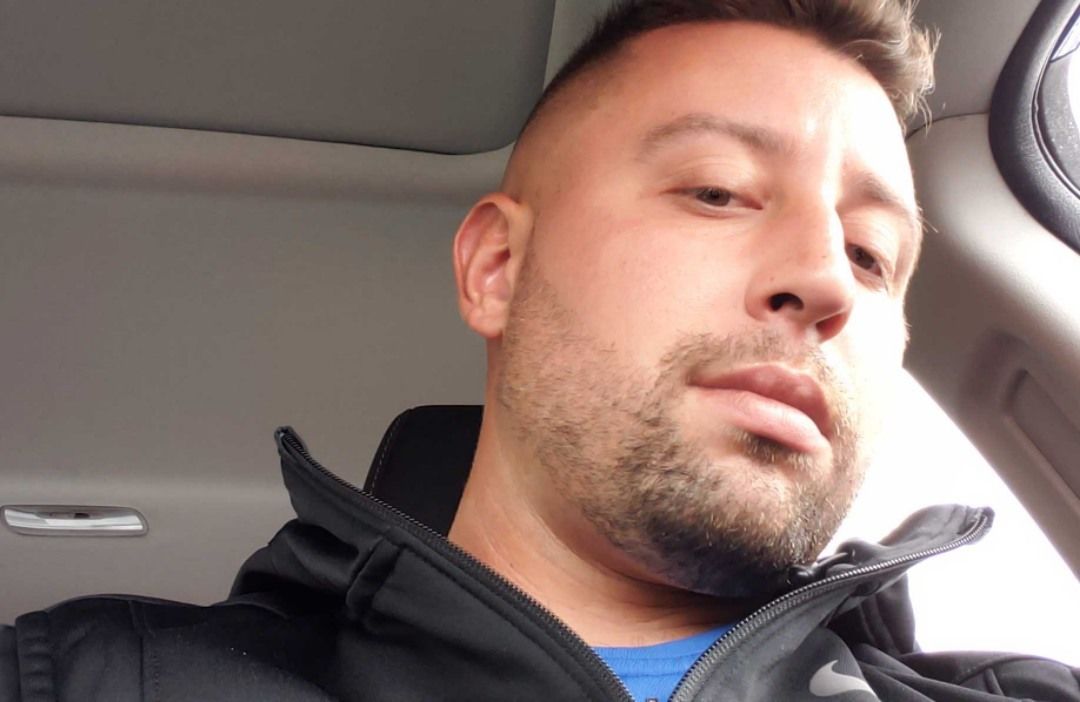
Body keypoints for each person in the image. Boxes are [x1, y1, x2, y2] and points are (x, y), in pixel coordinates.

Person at [1, 1, 1078, 700]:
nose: (830, 280)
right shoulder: (95, 683)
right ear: (497, 268)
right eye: (716, 192)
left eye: (874, 253)